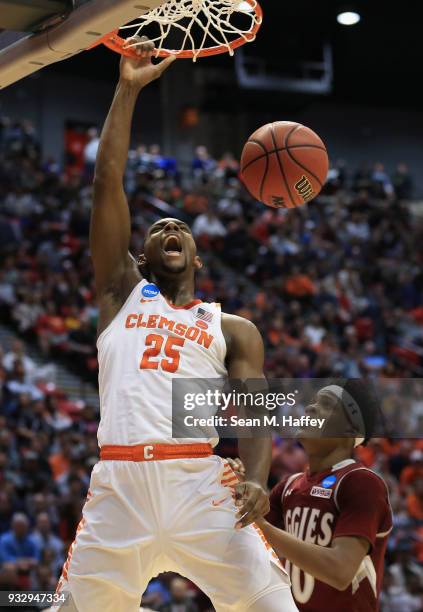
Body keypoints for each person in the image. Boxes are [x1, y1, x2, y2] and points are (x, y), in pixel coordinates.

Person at [52, 38, 297, 612]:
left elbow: (256, 411)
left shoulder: (234, 328)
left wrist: (258, 477)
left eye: (180, 229)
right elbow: (106, 184)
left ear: (196, 255)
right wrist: (127, 88)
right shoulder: (121, 295)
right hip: (119, 489)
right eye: (158, 229)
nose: (169, 232)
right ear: (140, 257)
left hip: (198, 483)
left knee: (273, 605)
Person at [231, 380, 392, 611]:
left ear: (350, 430)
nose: (309, 408)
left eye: (325, 404)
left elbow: (340, 571)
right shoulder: (289, 486)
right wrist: (234, 487)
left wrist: (262, 526)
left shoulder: (361, 482)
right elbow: (249, 543)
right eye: (313, 402)